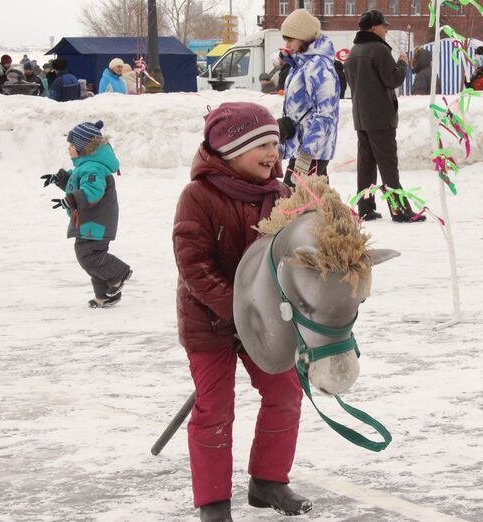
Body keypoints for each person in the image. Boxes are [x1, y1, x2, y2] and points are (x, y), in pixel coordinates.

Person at [172, 102, 311, 522]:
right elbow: (194, 266)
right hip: (210, 321)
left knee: (285, 393)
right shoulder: (198, 197)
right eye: (262, 144)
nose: (274, 152)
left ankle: (268, 481)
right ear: (231, 149)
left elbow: (295, 255)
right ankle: (212, 501)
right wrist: (238, 311)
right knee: (215, 408)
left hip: (265, 322)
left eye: (275, 143)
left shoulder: (282, 195)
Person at [344, 9, 425, 222]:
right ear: (373, 27)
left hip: (361, 117)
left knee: (366, 165)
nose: (387, 29)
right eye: (384, 26)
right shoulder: (378, 50)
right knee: (388, 165)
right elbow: (394, 79)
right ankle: (399, 210)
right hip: (380, 118)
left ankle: (366, 207)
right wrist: (403, 63)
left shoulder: (353, 52)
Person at [42, 120, 132, 308]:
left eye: (72, 145)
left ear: (84, 148)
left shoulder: (93, 168)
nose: (69, 149)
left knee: (88, 256)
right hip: (90, 221)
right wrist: (59, 178)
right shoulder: (85, 166)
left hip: (96, 222)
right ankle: (105, 296)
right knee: (92, 257)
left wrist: (71, 200)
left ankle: (119, 273)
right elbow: (76, 183)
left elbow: (93, 191)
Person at [278, 8, 341, 186]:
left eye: (290, 40)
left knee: (291, 204)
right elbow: (297, 111)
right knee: (313, 203)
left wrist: (307, 153)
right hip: (300, 148)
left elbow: (326, 113)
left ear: (304, 38)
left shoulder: (319, 66)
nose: (287, 45)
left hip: (311, 151)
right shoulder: (300, 65)